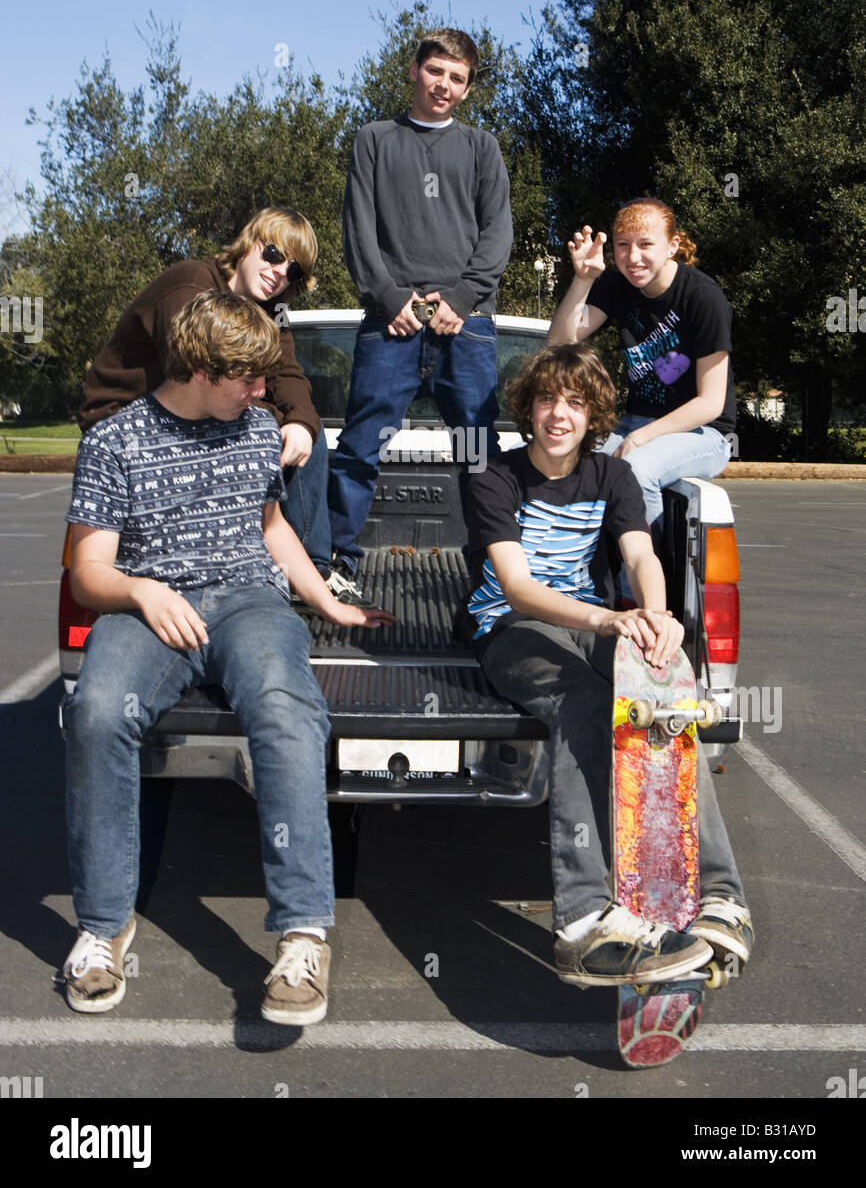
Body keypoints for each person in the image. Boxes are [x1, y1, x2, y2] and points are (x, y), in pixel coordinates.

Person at [62, 292, 392, 1024]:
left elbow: (271, 528)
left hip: (249, 603)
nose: (261, 393)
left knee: (285, 709)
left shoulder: (256, 430)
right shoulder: (114, 442)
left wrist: (327, 600)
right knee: (94, 714)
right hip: (148, 608)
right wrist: (144, 594)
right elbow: (90, 572)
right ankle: (104, 925)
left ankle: (303, 934)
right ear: (203, 369)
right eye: (249, 380)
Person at [463, 343, 753, 987]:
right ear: (527, 409)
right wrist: (608, 620)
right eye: (546, 400)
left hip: (596, 620)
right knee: (584, 705)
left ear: (593, 413)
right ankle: (582, 922)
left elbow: (642, 556)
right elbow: (518, 587)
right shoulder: (495, 477)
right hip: (509, 629)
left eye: (573, 402)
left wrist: (653, 616)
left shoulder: (613, 476)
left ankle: (721, 898)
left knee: (667, 702)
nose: (558, 414)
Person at [326, 29, 513, 601]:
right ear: (414, 71)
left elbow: (497, 234)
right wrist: (390, 299)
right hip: (391, 324)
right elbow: (358, 231)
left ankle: (492, 575)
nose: (445, 85)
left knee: (480, 453)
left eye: (458, 78)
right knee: (360, 446)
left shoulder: (482, 148)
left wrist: (460, 301)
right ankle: (339, 565)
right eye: (436, 72)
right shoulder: (375, 140)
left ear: (467, 87)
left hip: (468, 325)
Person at [79, 205, 332, 577]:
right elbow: (196, 379)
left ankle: (311, 570)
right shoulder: (192, 284)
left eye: (292, 269)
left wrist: (299, 423)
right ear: (248, 244)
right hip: (124, 414)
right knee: (266, 430)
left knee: (307, 430)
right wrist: (270, 425)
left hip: (200, 401)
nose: (279, 272)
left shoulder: (271, 310)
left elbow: (286, 372)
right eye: (274, 253)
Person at [547, 198, 735, 554]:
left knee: (634, 471)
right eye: (623, 245)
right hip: (636, 422)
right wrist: (583, 280)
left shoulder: (703, 297)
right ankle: (577, 583)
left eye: (646, 244)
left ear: (673, 246)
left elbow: (710, 403)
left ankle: (642, 593)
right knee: (570, 464)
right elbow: (559, 342)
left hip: (704, 433)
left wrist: (642, 437)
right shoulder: (617, 287)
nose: (633, 258)